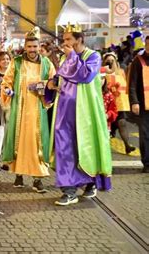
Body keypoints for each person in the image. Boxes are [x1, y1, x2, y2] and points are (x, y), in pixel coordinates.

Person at [46, 24, 112, 206]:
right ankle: (69, 190)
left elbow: (85, 75)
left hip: (86, 114)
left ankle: (90, 182)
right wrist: (51, 84)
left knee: (86, 147)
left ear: (79, 39)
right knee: (64, 148)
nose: (65, 43)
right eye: (64, 39)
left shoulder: (94, 56)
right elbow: (60, 78)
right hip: (64, 111)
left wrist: (71, 57)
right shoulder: (65, 57)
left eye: (68, 39)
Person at [1, 27, 55, 193]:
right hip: (20, 111)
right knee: (20, 143)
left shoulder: (47, 64)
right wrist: (8, 90)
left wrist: (39, 86)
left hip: (38, 111)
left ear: (40, 47)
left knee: (37, 144)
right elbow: (6, 82)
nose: (32, 50)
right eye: (29, 46)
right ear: (25, 47)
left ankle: (37, 179)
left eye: (35, 46)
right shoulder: (16, 62)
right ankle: (19, 174)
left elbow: (54, 84)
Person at [103, 52, 136, 154]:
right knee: (106, 129)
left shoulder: (122, 72)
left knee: (122, 123)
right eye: (107, 61)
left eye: (112, 60)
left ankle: (127, 145)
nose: (110, 62)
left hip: (119, 104)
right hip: (106, 105)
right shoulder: (102, 73)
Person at [128, 34, 149, 173]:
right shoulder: (138, 61)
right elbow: (132, 84)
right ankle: (147, 163)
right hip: (144, 105)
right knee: (146, 134)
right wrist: (134, 101)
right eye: (148, 45)